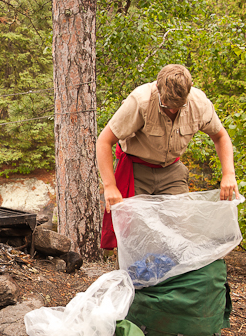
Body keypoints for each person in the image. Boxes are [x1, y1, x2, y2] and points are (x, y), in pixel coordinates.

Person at [96, 64, 237, 248]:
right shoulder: (140, 101)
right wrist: (110, 186)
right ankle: (133, 275)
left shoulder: (199, 103)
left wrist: (229, 174)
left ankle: (174, 276)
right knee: (135, 233)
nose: (172, 111)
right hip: (137, 170)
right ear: (158, 89)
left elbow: (220, 136)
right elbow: (104, 141)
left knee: (181, 229)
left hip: (172, 170)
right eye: (166, 105)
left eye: (178, 106)